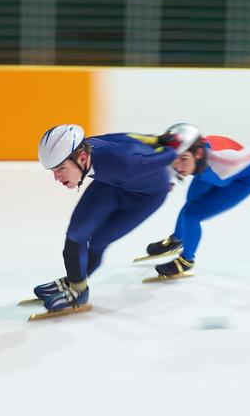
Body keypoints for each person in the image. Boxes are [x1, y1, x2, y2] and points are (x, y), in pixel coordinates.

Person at [32, 122, 201, 316]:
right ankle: (75, 281)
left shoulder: (124, 163)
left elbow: (167, 156)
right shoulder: (89, 146)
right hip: (112, 183)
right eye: (53, 170)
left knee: (98, 242)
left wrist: (171, 150)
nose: (57, 177)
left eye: (61, 168)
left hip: (144, 197)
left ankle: (78, 292)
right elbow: (126, 136)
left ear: (83, 157)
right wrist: (155, 139)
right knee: (76, 236)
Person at [139, 133, 250, 279]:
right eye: (175, 160)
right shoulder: (186, 155)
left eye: (183, 160)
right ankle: (177, 239)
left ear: (198, 155)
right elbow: (170, 168)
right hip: (209, 173)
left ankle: (186, 261)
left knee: (192, 215)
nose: (178, 166)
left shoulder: (228, 160)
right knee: (190, 203)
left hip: (241, 181)